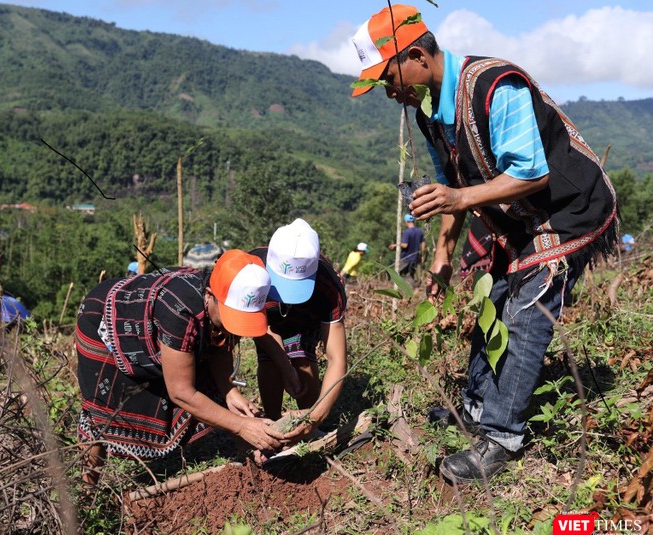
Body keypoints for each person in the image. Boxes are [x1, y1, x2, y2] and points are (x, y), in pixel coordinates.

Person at [351, 4, 619, 483]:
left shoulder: (496, 86)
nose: (390, 94)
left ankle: (500, 440)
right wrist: (440, 261)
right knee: (492, 299)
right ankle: (475, 409)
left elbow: (530, 173)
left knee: (527, 309)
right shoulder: (431, 114)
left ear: (417, 57)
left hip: (569, 206)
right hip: (517, 218)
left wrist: (460, 196)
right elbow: (447, 192)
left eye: (388, 79)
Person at [76, 250, 292, 484]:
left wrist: (230, 392)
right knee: (101, 413)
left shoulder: (219, 303)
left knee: (213, 386)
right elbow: (181, 392)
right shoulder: (179, 312)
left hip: (162, 330)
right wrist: (241, 426)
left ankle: (252, 456)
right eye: (232, 317)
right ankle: (89, 491)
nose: (235, 329)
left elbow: (219, 342)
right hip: (105, 325)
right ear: (209, 295)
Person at [249, 219, 348, 455]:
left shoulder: (328, 288)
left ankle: (308, 429)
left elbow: (337, 359)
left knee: (302, 355)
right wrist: (283, 364)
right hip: (266, 316)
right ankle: (273, 425)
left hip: (308, 313)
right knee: (268, 358)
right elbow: (257, 328)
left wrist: (314, 418)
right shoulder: (251, 271)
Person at [389, 213, 425, 283]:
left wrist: (394, 245)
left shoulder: (407, 232)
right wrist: (422, 256)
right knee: (409, 276)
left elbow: (405, 245)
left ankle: (391, 288)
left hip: (405, 258)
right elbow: (423, 246)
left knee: (394, 274)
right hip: (414, 259)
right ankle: (411, 292)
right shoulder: (420, 232)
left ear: (406, 222)